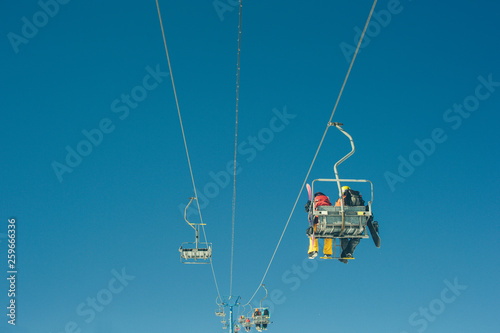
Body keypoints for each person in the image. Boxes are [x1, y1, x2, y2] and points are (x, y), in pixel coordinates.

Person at [335, 186, 363, 264]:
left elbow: (336, 211)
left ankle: (346, 253)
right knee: (356, 237)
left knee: (343, 236)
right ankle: (347, 253)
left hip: (343, 223)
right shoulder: (357, 199)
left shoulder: (341, 200)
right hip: (357, 223)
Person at [305, 192, 334, 259]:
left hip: (317, 219)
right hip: (327, 221)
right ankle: (328, 252)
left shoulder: (314, 201)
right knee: (329, 234)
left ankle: (313, 250)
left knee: (312, 234)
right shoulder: (327, 201)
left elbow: (310, 211)